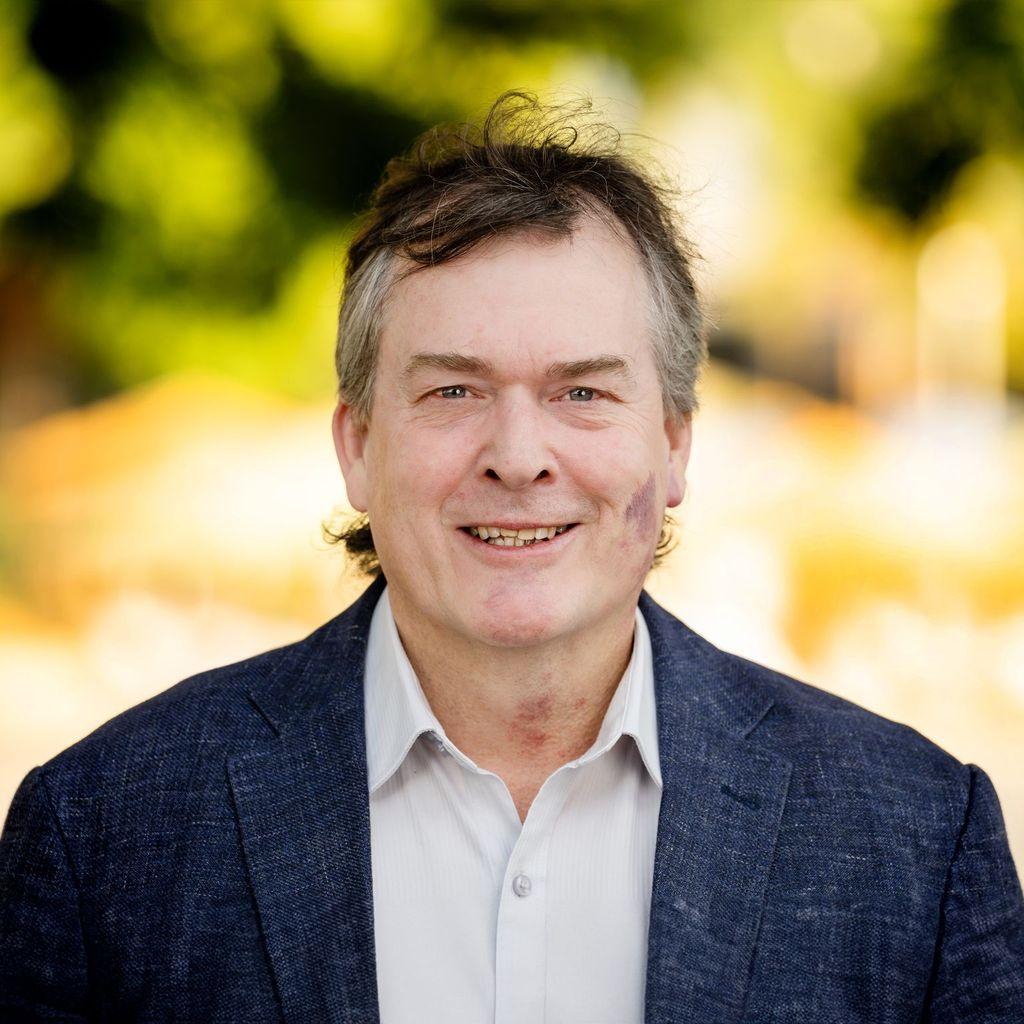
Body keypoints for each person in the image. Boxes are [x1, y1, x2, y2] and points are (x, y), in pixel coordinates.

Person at [1, 92, 1021, 1024]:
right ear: (356, 446)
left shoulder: (917, 842)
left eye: (582, 391)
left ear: (674, 446)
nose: (520, 457)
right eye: (453, 391)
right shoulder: (104, 836)